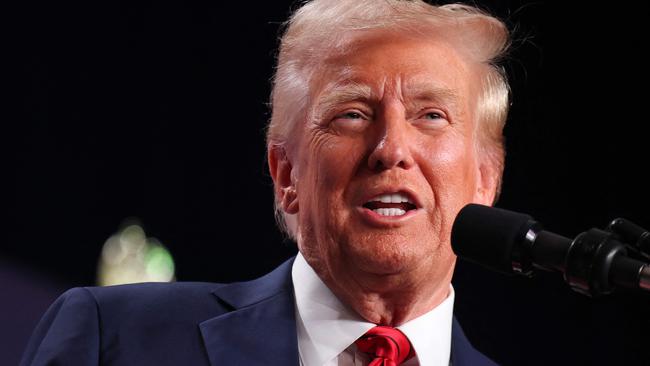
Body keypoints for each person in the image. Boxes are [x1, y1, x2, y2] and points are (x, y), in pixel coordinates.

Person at [21, 0, 510, 365]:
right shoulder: (115, 339)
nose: (391, 149)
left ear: (485, 180)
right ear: (286, 174)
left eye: (431, 115)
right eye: (352, 114)